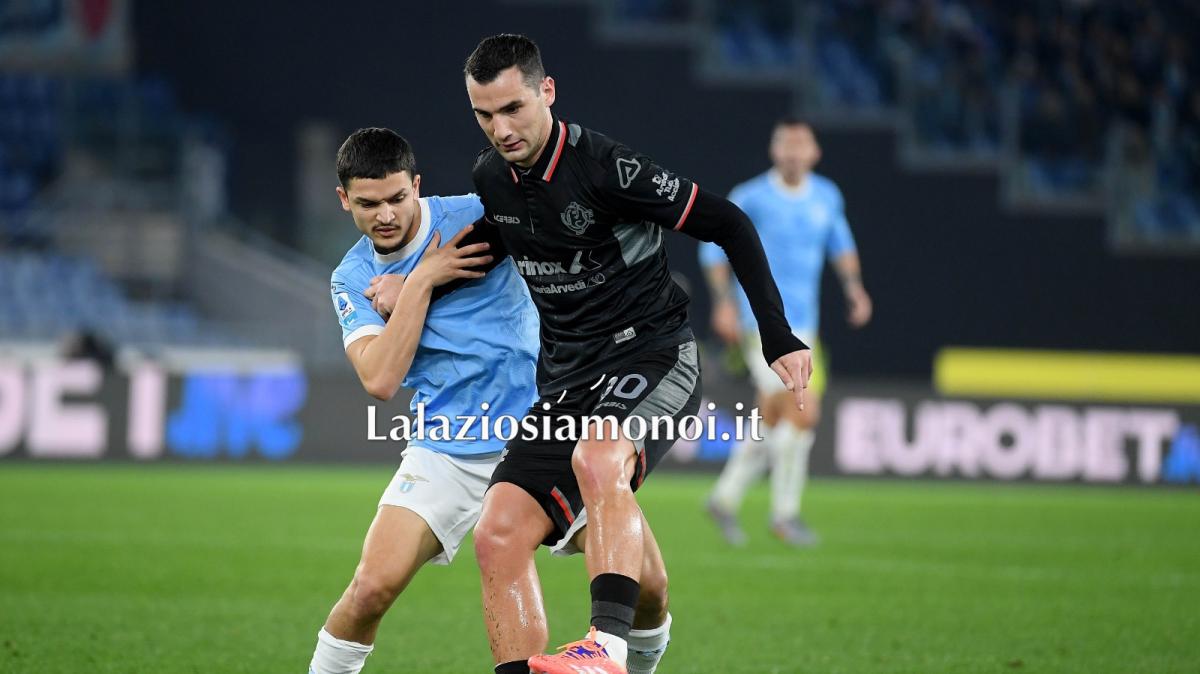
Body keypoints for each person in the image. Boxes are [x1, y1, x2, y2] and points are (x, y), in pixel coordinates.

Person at [462, 34, 813, 674]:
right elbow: (490, 241)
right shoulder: (492, 178)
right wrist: (417, 281)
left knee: (599, 456)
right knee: (498, 534)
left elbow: (729, 222)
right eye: (484, 115)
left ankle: (605, 650)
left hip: (651, 357)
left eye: (512, 108)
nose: (500, 129)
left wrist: (776, 335)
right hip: (566, 382)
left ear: (547, 91)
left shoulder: (604, 167)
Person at [308, 127, 540, 674]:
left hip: (541, 434)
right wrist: (420, 281)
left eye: (396, 198)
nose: (385, 215)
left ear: (417, 185)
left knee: (647, 588)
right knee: (370, 588)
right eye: (367, 204)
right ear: (344, 200)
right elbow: (381, 379)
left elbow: (552, 209)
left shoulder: (474, 214)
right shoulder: (353, 276)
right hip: (448, 447)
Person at [701, 118, 872, 547]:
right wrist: (723, 301)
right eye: (786, 145)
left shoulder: (827, 196)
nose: (794, 153)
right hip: (760, 322)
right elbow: (712, 247)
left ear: (814, 152)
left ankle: (724, 498)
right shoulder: (752, 196)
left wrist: (854, 291)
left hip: (806, 328)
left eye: (802, 145)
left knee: (774, 417)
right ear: (774, 151)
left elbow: (842, 247)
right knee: (803, 412)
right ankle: (785, 515)